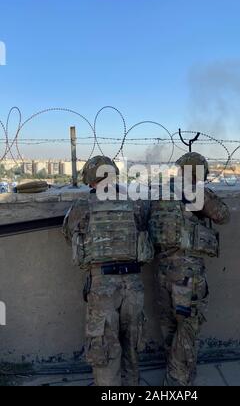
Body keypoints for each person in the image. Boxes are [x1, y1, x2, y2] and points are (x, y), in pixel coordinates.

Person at [63, 156, 153, 387]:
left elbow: (68, 233)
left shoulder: (83, 206)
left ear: (90, 178)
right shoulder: (135, 202)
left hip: (103, 285)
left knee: (104, 346)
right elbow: (142, 228)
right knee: (131, 346)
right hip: (133, 283)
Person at [149, 152, 230, 386]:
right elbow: (222, 216)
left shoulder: (161, 191)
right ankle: (178, 382)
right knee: (188, 327)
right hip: (188, 273)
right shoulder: (195, 192)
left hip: (163, 270)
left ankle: (175, 372)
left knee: (169, 326)